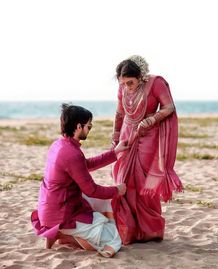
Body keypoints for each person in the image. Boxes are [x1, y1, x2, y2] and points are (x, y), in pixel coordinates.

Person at [31, 103, 129, 258]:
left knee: (101, 205)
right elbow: (92, 190)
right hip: (60, 214)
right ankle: (60, 234)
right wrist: (118, 190)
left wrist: (115, 152)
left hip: (49, 209)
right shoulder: (71, 153)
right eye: (88, 126)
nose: (89, 129)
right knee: (112, 237)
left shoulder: (59, 144)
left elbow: (85, 165)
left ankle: (56, 233)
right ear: (78, 126)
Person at [111, 55, 183, 245]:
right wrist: (115, 137)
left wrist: (150, 120)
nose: (126, 87)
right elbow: (119, 113)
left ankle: (149, 230)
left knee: (142, 180)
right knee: (122, 178)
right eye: (123, 83)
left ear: (141, 76)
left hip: (148, 135)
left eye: (130, 82)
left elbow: (169, 107)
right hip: (127, 133)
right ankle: (128, 228)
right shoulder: (123, 87)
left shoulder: (155, 83)